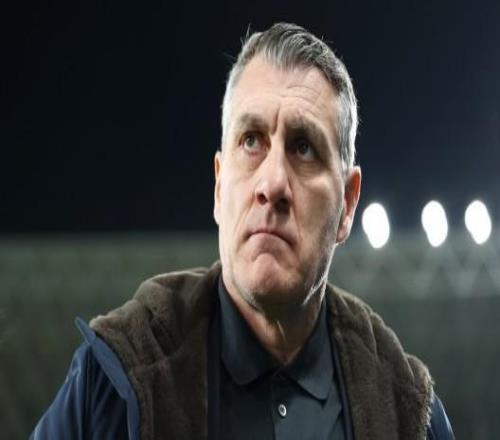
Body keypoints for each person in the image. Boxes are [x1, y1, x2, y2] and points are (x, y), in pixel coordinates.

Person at [31, 22, 454, 439]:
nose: (273, 184)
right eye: (251, 141)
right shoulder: (112, 381)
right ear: (219, 186)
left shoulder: (410, 413)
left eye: (303, 147)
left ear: (346, 203)